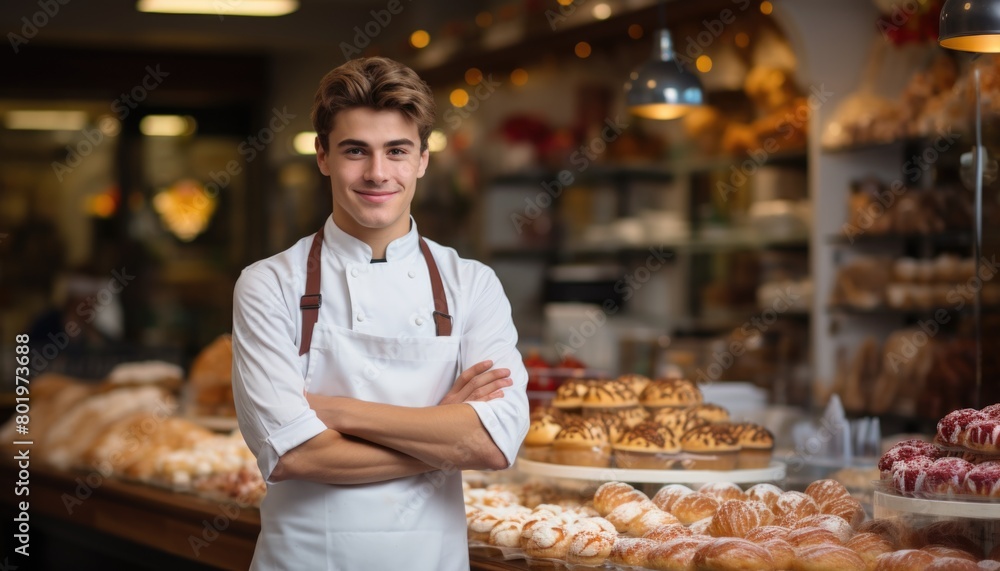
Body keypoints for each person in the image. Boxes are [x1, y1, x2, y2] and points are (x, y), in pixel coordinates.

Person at [231, 56, 529, 570]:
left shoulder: (472, 284)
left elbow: (493, 444)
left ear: (422, 159)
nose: (377, 173)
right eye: (355, 151)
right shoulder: (268, 284)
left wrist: (337, 412)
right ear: (323, 156)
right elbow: (294, 455)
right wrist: (442, 434)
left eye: (397, 151)